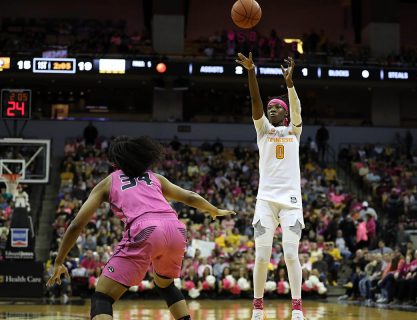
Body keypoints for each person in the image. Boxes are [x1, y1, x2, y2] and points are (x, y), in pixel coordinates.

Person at [47, 136, 235, 320]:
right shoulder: (155, 177)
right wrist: (214, 209)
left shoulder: (109, 181)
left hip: (146, 229)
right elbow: (191, 196)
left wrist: (59, 260)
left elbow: (76, 225)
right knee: (165, 284)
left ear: (114, 162)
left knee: (102, 297)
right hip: (176, 229)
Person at [236, 52, 305, 320]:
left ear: (285, 113)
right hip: (265, 201)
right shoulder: (263, 131)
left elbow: (297, 109)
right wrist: (251, 72)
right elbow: (254, 101)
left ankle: (296, 307)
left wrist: (289, 84)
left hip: (291, 203)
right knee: (262, 257)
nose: (270, 110)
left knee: (290, 253)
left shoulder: (294, 132)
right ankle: (257, 307)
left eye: (276, 108)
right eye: (269, 109)